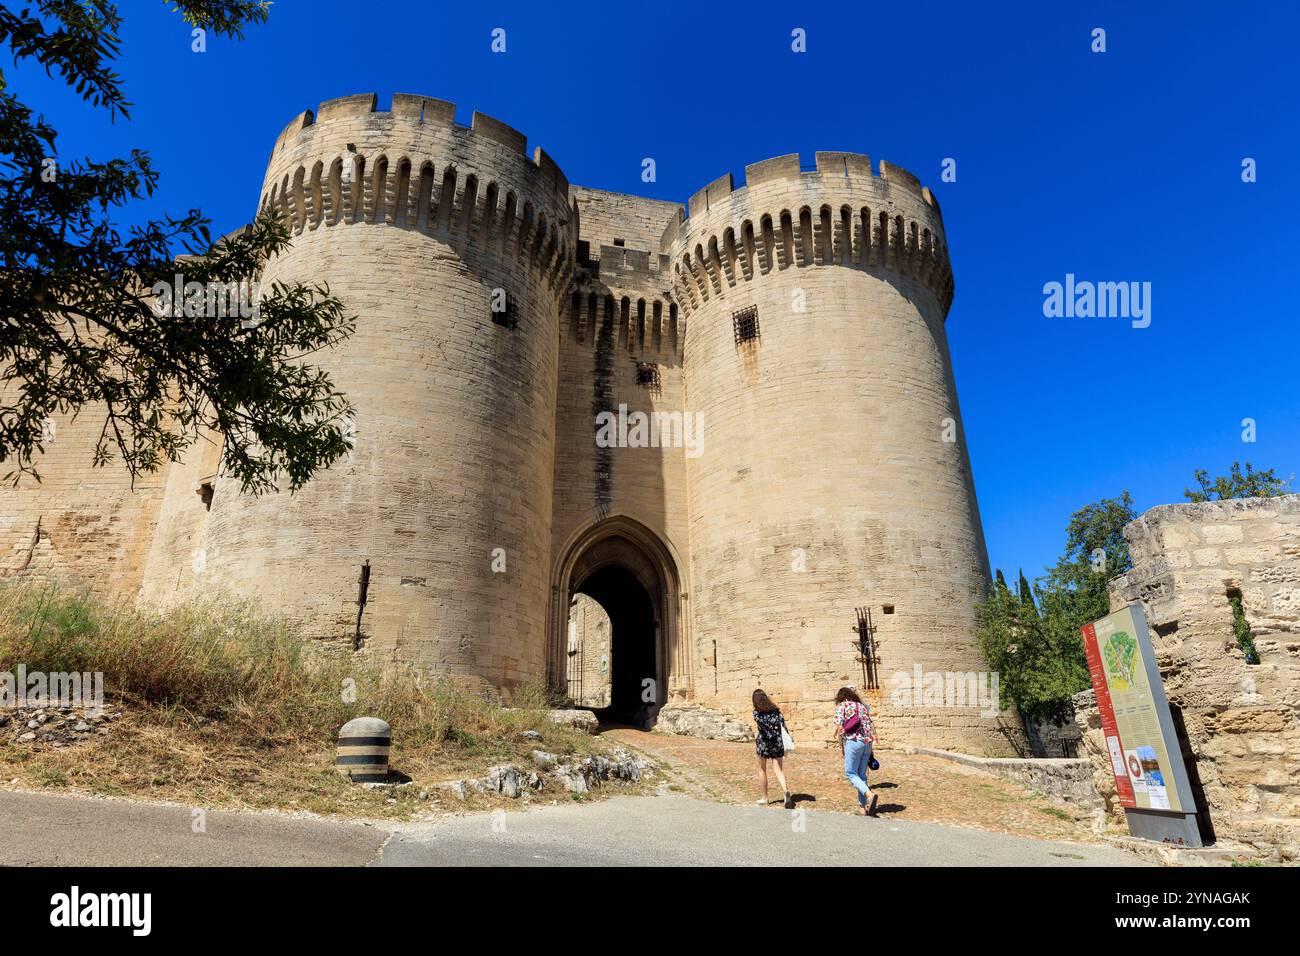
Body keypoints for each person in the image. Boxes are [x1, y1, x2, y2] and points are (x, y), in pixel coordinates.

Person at [834, 686, 878, 817]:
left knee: (851, 773)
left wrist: (841, 746)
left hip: (853, 742)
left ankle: (869, 794)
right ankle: (862, 808)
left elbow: (840, 728)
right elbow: (869, 726)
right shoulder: (862, 706)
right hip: (867, 743)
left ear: (841, 697)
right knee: (861, 775)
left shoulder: (843, 706)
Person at [752, 689, 794, 809]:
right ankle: (785, 790)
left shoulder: (756, 713)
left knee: (762, 769)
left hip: (764, 744)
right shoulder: (776, 711)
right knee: (778, 770)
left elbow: (762, 727)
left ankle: (765, 798)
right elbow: (783, 726)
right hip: (777, 742)